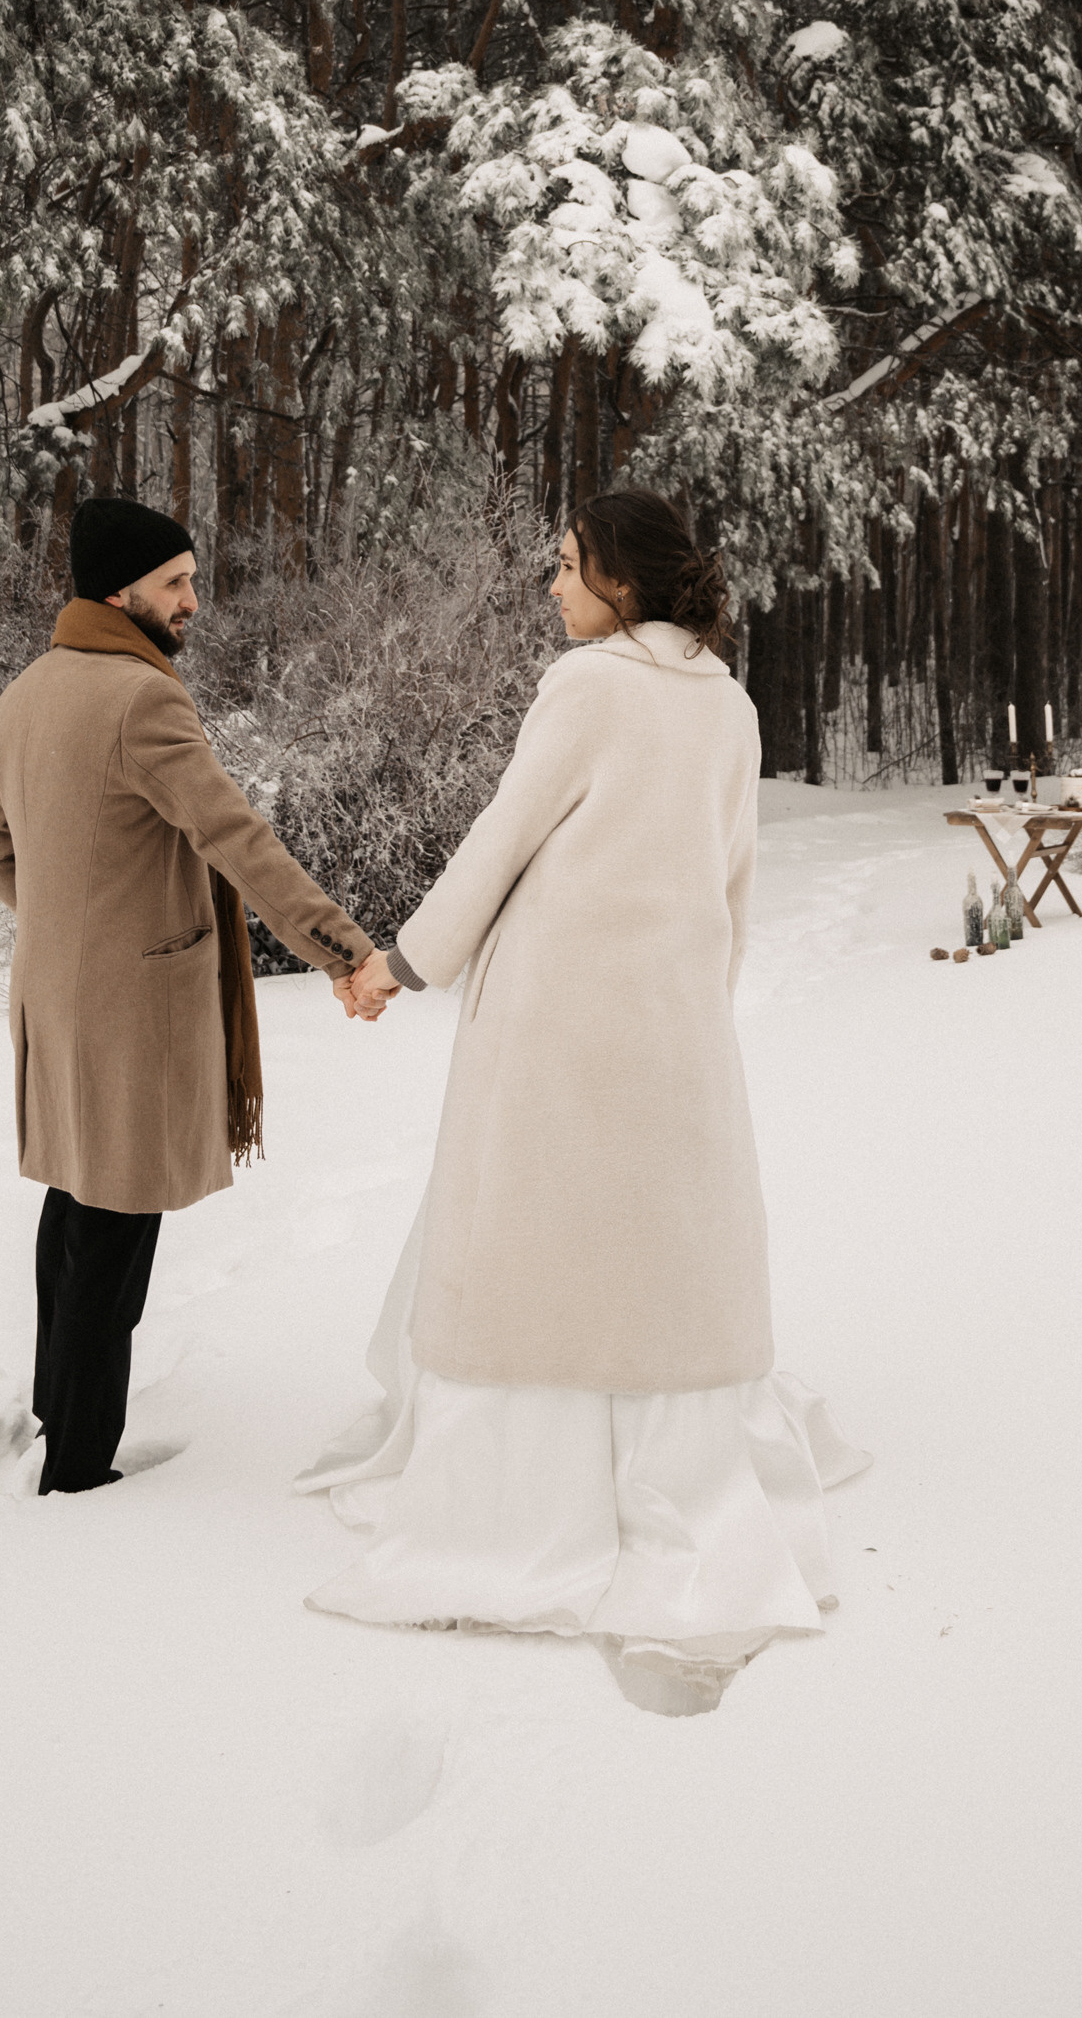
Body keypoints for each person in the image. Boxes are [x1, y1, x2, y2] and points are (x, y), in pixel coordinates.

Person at [296, 489, 867, 1713]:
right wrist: (700, 997)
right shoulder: (726, 698)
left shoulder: (591, 685)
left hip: (556, 1014)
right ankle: (666, 1461)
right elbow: (733, 875)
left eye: (567, 565)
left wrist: (402, 961)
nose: (550, 585)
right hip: (666, 1016)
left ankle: (520, 1494)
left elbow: (500, 840)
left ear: (622, 580)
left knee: (534, 1233)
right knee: (653, 1242)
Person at [0, 493, 384, 1495]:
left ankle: (51, 1409)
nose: (194, 599)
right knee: (114, 1221)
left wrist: (72, 931)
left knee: (77, 1201)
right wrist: (339, 949)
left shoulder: (26, 691)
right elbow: (234, 836)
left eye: (191, 579)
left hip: (54, 995)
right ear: (120, 591)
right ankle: (77, 1465)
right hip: (132, 1005)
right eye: (175, 583)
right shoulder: (140, 697)